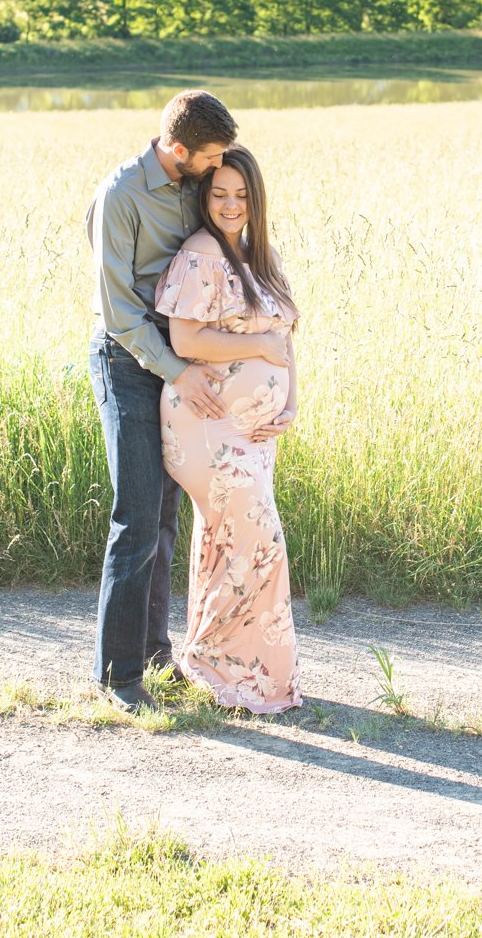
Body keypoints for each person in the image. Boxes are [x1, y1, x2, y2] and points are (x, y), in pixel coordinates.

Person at [88, 90, 238, 713]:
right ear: (178, 149)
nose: (216, 168)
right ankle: (118, 677)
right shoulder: (120, 195)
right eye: (209, 158)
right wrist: (179, 371)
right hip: (129, 363)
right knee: (137, 518)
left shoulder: (191, 182)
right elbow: (120, 313)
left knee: (166, 518)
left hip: (179, 363)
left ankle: (154, 654)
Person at [151, 145, 302, 713]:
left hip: (255, 432)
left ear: (255, 200)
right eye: (219, 194)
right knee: (260, 541)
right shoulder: (200, 255)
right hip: (206, 426)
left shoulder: (260, 256)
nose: (230, 204)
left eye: (241, 195)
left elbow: (286, 336)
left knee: (227, 543)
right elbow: (186, 341)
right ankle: (221, 669)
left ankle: (221, 670)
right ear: (204, 198)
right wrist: (257, 345)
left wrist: (291, 400)